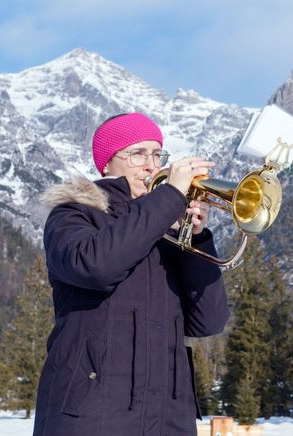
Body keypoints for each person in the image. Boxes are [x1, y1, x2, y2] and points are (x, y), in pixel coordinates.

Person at [33, 112, 229, 436]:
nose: (151, 166)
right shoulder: (73, 214)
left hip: (168, 421)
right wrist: (168, 200)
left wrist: (194, 239)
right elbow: (96, 266)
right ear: (107, 164)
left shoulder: (164, 229)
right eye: (137, 154)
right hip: (90, 418)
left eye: (157, 154)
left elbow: (209, 321)